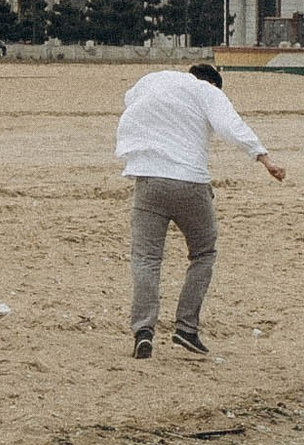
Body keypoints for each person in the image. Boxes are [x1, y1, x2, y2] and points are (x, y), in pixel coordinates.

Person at [116, 56, 286, 358]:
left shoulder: (156, 79)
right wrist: (264, 159)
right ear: (213, 84)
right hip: (189, 182)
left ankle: (144, 330)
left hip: (148, 179)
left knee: (146, 259)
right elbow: (231, 126)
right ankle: (186, 327)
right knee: (203, 253)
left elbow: (131, 100)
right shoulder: (207, 92)